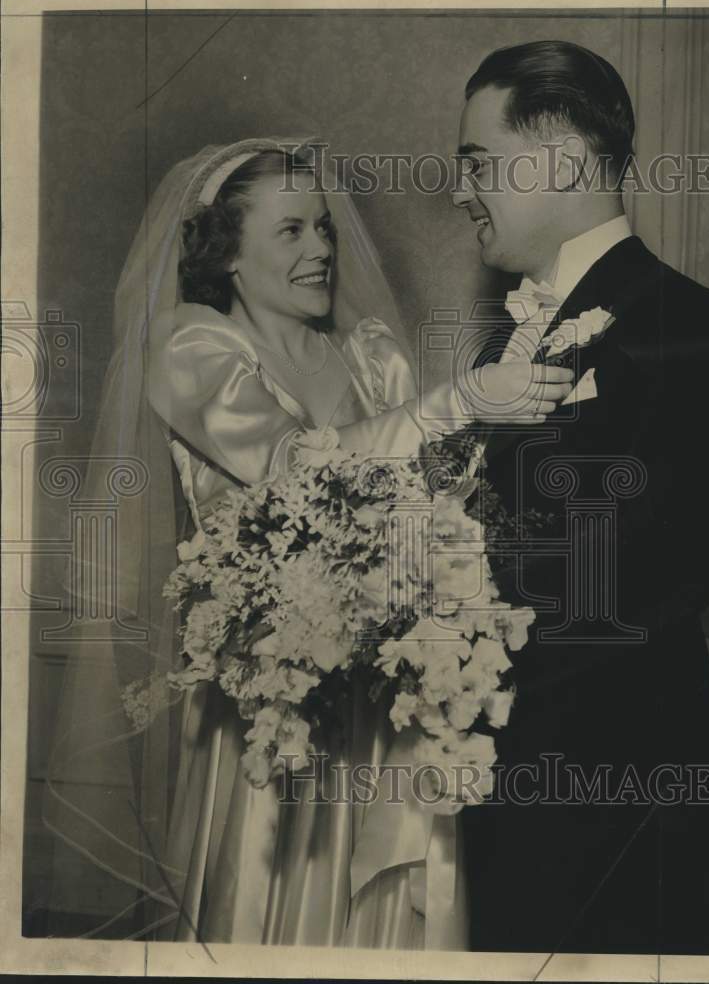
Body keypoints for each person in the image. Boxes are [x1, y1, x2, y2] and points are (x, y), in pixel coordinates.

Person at [43, 137, 573, 945]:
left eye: (323, 227)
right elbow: (295, 468)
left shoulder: (371, 356)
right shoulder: (193, 350)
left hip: (384, 700)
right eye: (290, 230)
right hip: (271, 705)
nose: (321, 248)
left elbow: (431, 490)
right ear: (226, 252)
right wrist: (461, 398)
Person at [452, 42, 709, 955]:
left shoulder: (695, 328)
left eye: (477, 161)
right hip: (503, 780)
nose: (461, 190)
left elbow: (668, 571)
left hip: (612, 789)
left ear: (557, 158)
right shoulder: (500, 350)